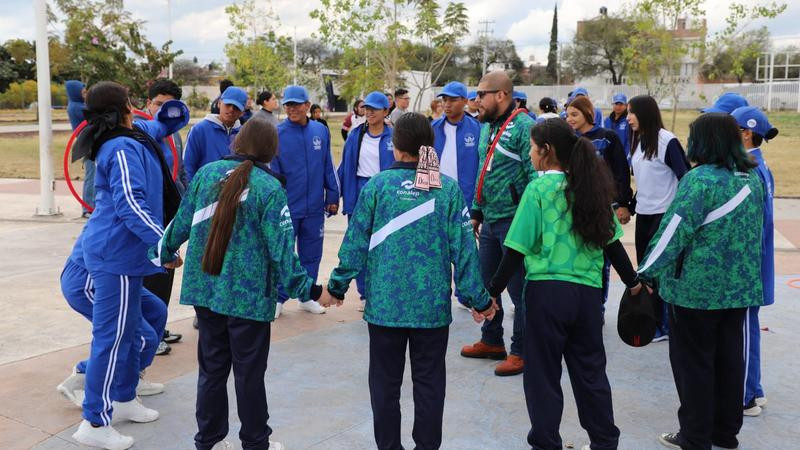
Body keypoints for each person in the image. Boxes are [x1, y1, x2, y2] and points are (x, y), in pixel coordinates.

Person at [323, 112, 497, 450]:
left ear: (395, 144)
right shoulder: (446, 189)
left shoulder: (377, 186)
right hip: (430, 310)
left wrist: (337, 286)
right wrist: (479, 300)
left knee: (384, 386)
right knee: (430, 384)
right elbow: (464, 251)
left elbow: (355, 242)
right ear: (428, 145)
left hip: (385, 308)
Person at [150, 116, 323, 450]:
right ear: (272, 150)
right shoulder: (270, 189)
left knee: (212, 370)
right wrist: (311, 291)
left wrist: (163, 251)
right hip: (248, 299)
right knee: (249, 375)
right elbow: (283, 254)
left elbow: (180, 223)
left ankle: (209, 441)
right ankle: (255, 442)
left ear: (238, 142)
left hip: (207, 293)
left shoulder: (206, 174)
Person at [487, 118, 643, 450]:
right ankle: (604, 442)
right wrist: (633, 283)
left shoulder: (538, 189)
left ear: (547, 151)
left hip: (546, 295)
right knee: (590, 375)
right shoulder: (591, 188)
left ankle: (546, 443)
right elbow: (613, 245)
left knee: (543, 377)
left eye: (532, 147)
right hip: (587, 297)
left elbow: (515, 248)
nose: (530, 153)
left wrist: (491, 292)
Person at [637, 113, 764, 450]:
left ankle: (695, 436)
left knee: (694, 364)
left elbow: (672, 234)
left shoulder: (699, 180)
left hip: (695, 291)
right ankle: (725, 432)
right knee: (728, 360)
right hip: (738, 289)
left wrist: (645, 273)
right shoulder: (753, 178)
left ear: (704, 141)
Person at [68, 81, 183, 449]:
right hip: (113, 256)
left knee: (132, 330)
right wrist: (163, 245)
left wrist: (172, 110)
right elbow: (130, 204)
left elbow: (165, 124)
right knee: (113, 339)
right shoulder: (119, 148)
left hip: (127, 257)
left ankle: (123, 397)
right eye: (132, 102)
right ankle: (95, 422)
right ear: (124, 109)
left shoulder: (135, 134)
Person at [461, 70, 535, 377]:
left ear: (501, 95)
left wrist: (527, 223)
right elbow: (483, 170)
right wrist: (477, 211)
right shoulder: (487, 127)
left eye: (481, 95)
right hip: (490, 221)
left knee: (519, 291)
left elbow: (534, 179)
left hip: (514, 223)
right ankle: (492, 341)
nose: (476, 101)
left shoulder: (524, 127)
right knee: (486, 284)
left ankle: (522, 351)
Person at [56, 226, 168, 409]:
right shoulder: (127, 199)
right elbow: (136, 219)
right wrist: (165, 249)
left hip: (119, 272)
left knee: (156, 311)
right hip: (90, 280)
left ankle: (132, 378)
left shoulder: (148, 198)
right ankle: (81, 378)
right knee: (139, 338)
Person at [270, 86, 340, 318]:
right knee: (284, 253)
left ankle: (307, 296)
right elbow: (274, 175)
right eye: (288, 104)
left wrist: (332, 196)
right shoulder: (277, 134)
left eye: (297, 104)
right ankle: (279, 298)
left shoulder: (320, 130)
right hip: (288, 207)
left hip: (314, 207)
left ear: (307, 106)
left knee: (312, 253)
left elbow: (327, 166)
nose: (292, 109)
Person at [627, 95, 690, 341]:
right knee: (646, 270)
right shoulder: (638, 141)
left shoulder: (666, 140)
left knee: (661, 272)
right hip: (644, 214)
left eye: (633, 112)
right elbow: (644, 181)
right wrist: (630, 206)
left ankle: (664, 326)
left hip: (664, 216)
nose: (629, 117)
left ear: (646, 113)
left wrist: (680, 213)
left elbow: (685, 176)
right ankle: (651, 321)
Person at [731, 105, 779, 417]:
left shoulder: (750, 171)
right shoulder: (760, 168)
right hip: (753, 266)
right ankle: (754, 388)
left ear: (746, 133)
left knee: (744, 332)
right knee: (745, 330)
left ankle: (746, 396)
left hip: (749, 268)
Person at [566, 96, 633, 310]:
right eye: (567, 115)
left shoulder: (608, 138)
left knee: (604, 260)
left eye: (574, 114)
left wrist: (623, 203)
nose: (570, 119)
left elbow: (621, 172)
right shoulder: (569, 140)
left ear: (588, 114)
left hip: (605, 207)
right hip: (577, 209)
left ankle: (599, 306)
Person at [137, 78, 189, 353]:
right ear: (148, 104)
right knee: (147, 274)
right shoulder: (138, 134)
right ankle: (146, 335)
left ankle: (159, 327)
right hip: (147, 218)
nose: (162, 111)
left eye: (169, 106)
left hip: (169, 215)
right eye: (158, 104)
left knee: (165, 272)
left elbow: (179, 173)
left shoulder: (175, 133)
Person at [337, 91, 395, 311]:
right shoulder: (355, 134)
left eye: (374, 109)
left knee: (385, 244)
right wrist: (336, 196)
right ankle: (364, 294)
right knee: (361, 245)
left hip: (386, 194)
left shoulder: (394, 135)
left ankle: (383, 290)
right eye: (366, 108)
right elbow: (344, 167)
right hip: (360, 191)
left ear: (385, 111)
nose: (369, 112)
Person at [183, 86, 247, 182]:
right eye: (228, 104)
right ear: (219, 103)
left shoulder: (244, 134)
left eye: (236, 107)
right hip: (204, 191)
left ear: (242, 112)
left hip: (234, 194)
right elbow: (187, 166)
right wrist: (193, 192)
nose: (231, 109)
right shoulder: (199, 129)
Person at [67, 80, 93, 217]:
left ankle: (90, 206)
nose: (85, 94)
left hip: (89, 141)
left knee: (94, 174)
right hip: (89, 143)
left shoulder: (79, 105)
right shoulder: (76, 107)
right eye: (83, 92)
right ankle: (88, 208)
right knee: (92, 175)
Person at [604, 93, 631, 159]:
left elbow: (629, 141)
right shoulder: (607, 120)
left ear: (626, 106)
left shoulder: (628, 121)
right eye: (616, 104)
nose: (618, 107)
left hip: (623, 156)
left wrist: (625, 158)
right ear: (613, 105)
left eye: (621, 104)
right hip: (609, 156)